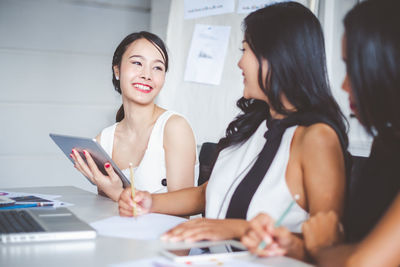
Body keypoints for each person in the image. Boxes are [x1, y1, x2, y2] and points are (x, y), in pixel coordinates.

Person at [119, 2, 348, 259]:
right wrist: (150, 201)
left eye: (245, 50)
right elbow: (208, 192)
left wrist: (234, 229)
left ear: (276, 55)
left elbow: (327, 246)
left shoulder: (316, 138)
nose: (240, 62)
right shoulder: (255, 124)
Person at [243, 0, 400, 265]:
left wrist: (322, 247)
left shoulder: (317, 136)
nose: (344, 84)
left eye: (353, 68)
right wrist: (297, 247)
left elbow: (359, 262)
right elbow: (357, 248)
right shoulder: (386, 145)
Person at [70, 32, 198, 202]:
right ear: (117, 70)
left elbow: (183, 210)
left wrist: (118, 194)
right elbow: (106, 210)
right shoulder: (104, 140)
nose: (147, 75)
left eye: (157, 67)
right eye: (137, 63)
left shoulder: (174, 127)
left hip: (170, 229)